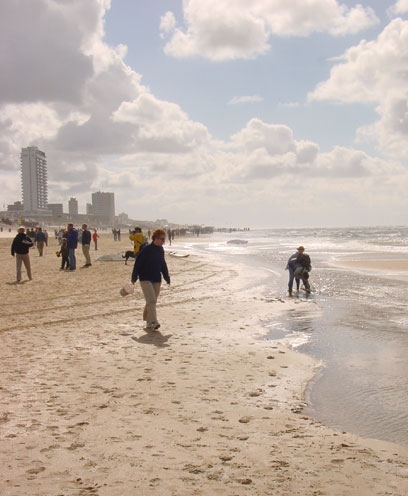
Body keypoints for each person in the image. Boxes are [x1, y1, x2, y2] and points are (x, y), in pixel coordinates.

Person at [131, 228, 170, 331]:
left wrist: (167, 277)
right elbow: (138, 263)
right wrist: (134, 277)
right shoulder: (146, 249)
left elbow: (163, 264)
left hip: (156, 278)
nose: (163, 241)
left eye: (164, 239)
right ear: (156, 238)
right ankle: (153, 322)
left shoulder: (161, 250)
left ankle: (148, 320)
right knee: (151, 300)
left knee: (152, 301)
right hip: (145, 278)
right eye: (162, 239)